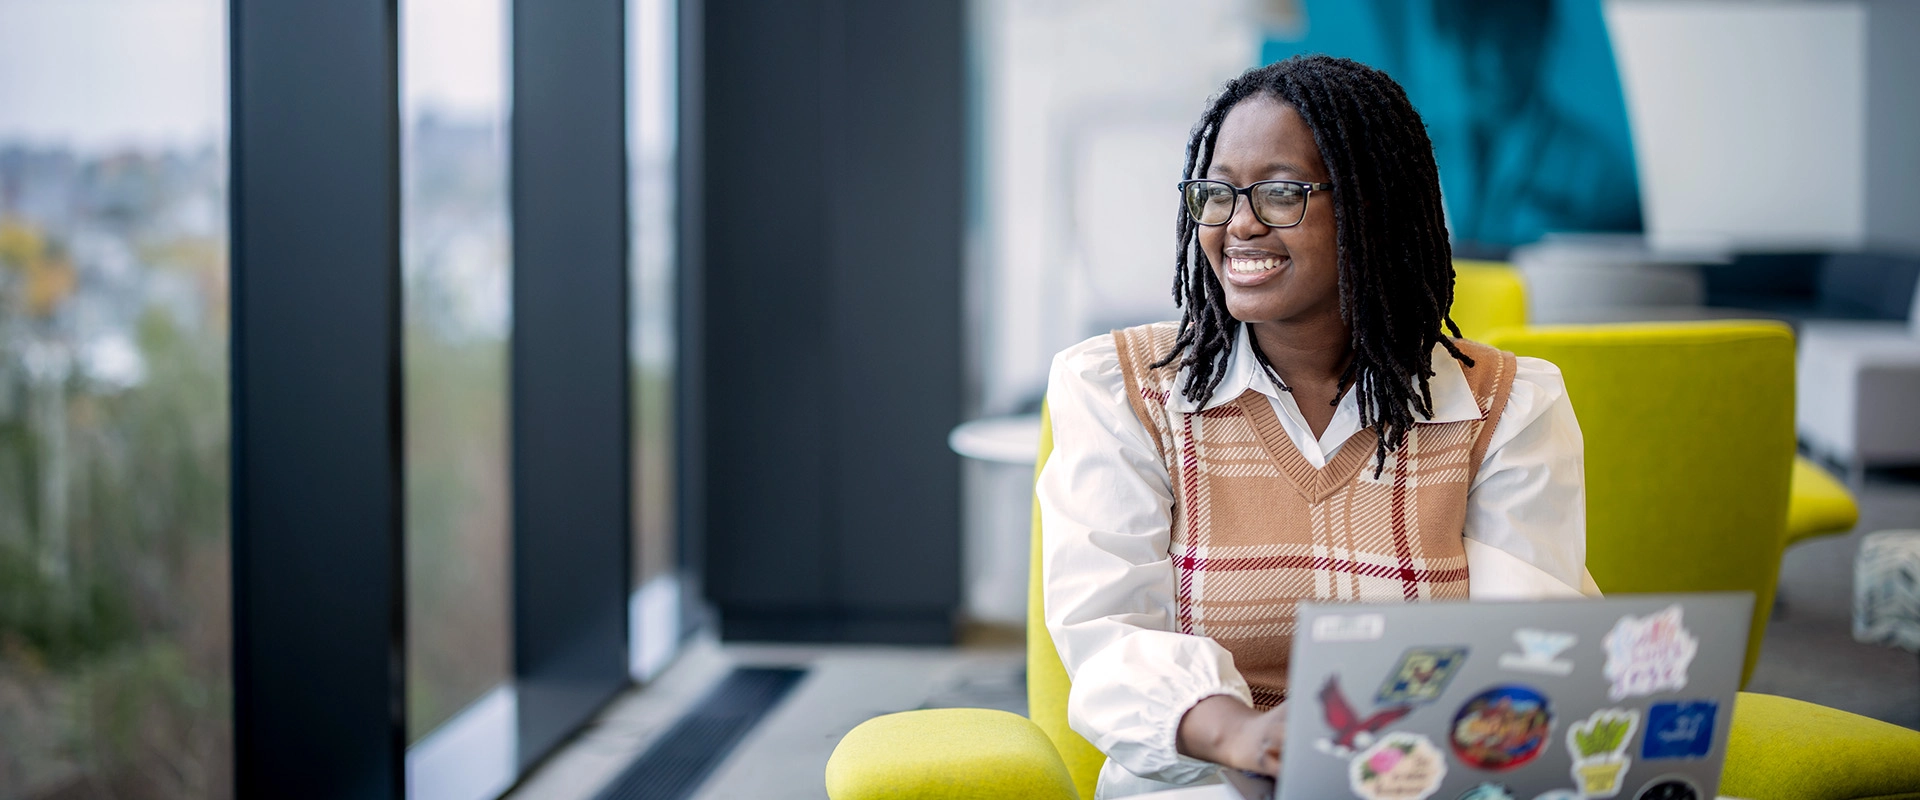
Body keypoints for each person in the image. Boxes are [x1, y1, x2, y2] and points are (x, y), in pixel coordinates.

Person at [1038, 55, 1599, 798]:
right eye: (1218, 194)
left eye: (1279, 193)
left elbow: (1528, 650)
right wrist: (1241, 737)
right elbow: (1111, 640)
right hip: (1206, 785)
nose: (1238, 224)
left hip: (1431, 779)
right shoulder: (1119, 389)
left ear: (1375, 205)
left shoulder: (1506, 404)